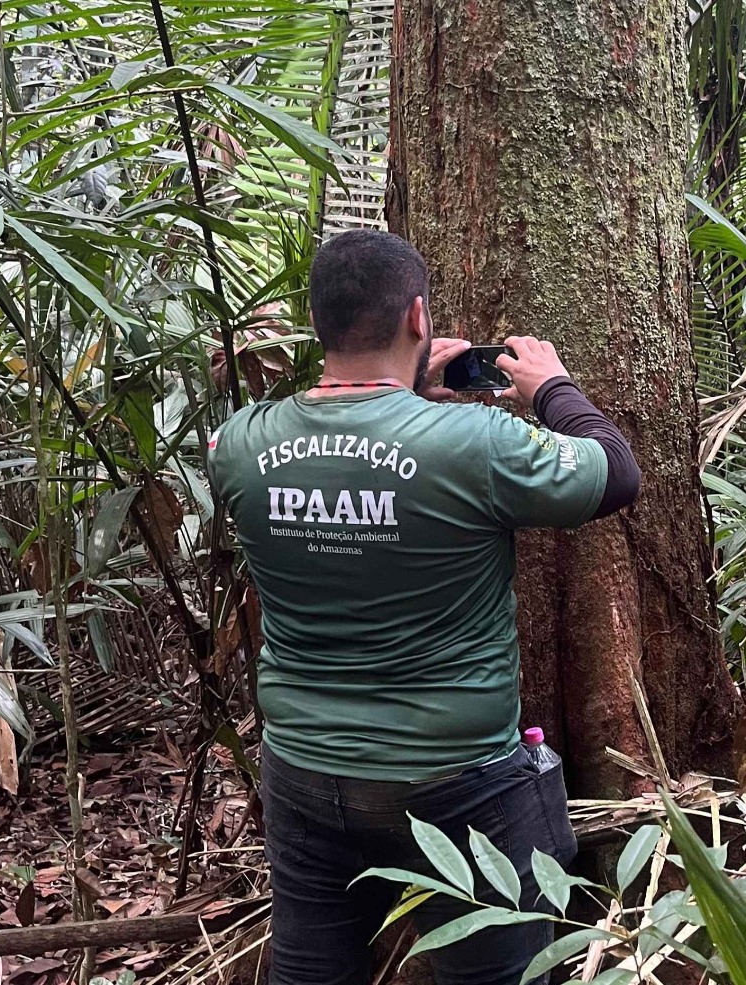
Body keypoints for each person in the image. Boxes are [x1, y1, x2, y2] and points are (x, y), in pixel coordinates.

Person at [208, 229, 641, 984]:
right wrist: (552, 389)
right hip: (458, 782)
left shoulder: (240, 446)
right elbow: (616, 473)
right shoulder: (474, 443)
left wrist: (405, 400)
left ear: (317, 324)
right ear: (418, 317)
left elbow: (317, 457)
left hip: (304, 772)